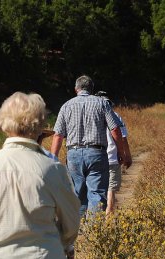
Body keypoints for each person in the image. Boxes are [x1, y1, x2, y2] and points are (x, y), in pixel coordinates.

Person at [0, 92, 80, 259]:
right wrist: (61, 243)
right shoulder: (52, 169)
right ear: (39, 125)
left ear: (3, 123)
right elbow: (72, 222)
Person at [51, 75, 125, 218]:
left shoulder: (66, 106)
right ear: (92, 89)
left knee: (77, 193)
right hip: (96, 154)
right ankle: (93, 233)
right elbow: (115, 129)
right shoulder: (102, 104)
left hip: (73, 154)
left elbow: (58, 135)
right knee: (96, 193)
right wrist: (120, 152)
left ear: (76, 89)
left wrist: (53, 158)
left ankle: (79, 231)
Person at [95, 91, 132, 215]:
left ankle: (96, 217)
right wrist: (127, 155)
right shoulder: (116, 116)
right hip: (113, 158)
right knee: (111, 188)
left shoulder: (92, 116)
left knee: (97, 188)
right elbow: (123, 137)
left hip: (96, 157)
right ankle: (109, 215)